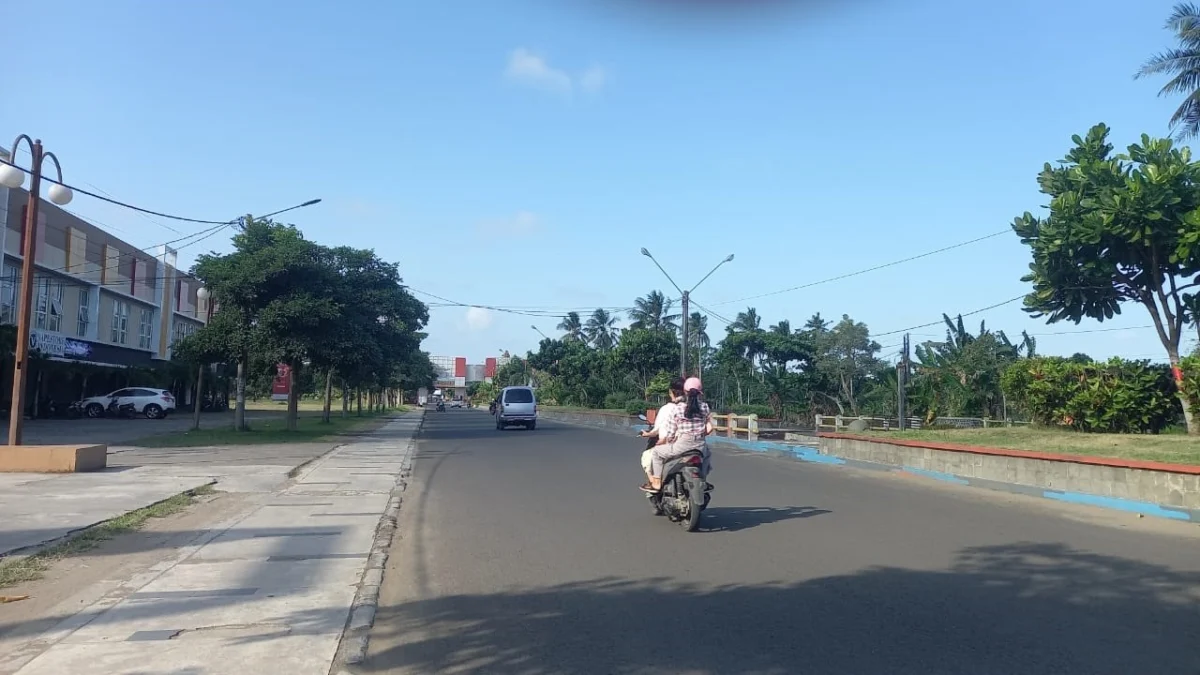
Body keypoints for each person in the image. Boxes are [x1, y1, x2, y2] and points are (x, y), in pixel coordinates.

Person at [642, 377, 713, 492]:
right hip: (700, 447)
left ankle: (656, 482)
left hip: (681, 446)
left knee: (656, 453)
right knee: (707, 455)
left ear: (685, 391)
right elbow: (709, 429)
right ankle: (702, 480)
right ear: (700, 392)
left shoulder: (678, 408)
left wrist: (668, 441)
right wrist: (699, 433)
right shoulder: (705, 406)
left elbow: (670, 432)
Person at [638, 377, 686, 486]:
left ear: (671, 393)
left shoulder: (667, 409)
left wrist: (647, 434)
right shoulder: (694, 408)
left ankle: (655, 482)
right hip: (693, 447)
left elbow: (658, 431)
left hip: (671, 446)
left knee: (648, 456)